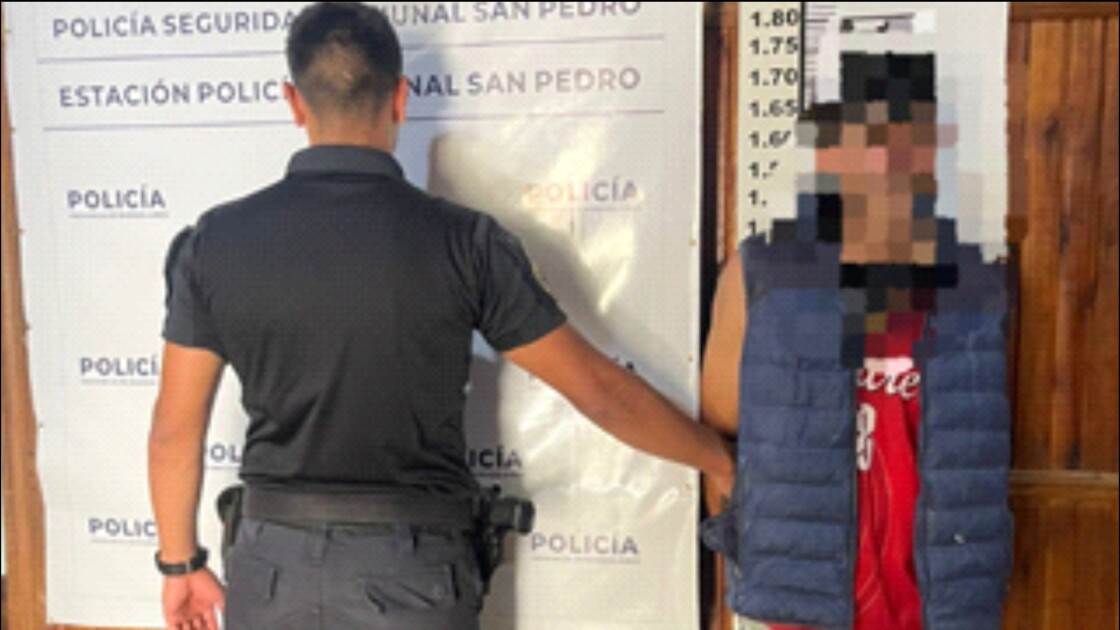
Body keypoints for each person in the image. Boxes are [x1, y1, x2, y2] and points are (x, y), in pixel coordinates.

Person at [147, 3, 734, 630]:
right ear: (401, 98)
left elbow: (174, 430)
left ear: (294, 102)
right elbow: (599, 393)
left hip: (270, 573)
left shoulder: (213, 243)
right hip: (411, 575)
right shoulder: (465, 243)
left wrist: (180, 564)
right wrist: (721, 460)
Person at [701, 52, 1012, 629]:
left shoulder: (977, 279)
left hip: (941, 603)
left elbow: (978, 451)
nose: (890, 159)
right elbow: (723, 432)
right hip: (806, 603)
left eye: (910, 137)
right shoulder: (762, 273)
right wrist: (757, 555)